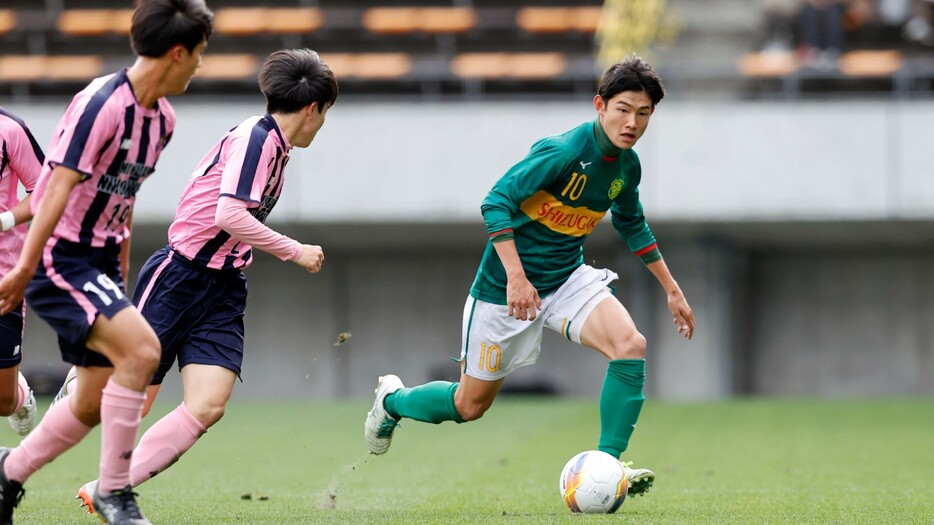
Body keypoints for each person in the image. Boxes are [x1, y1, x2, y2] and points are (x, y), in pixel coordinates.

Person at [365, 54, 695, 498]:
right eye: (623, 109)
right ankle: (392, 402)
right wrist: (517, 278)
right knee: (469, 405)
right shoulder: (561, 153)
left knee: (630, 345)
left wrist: (672, 289)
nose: (632, 121)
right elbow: (495, 202)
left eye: (643, 113)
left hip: (565, 277)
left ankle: (608, 465)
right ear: (600, 104)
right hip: (503, 290)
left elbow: (631, 222)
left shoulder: (627, 166)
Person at [56, 48, 334, 501]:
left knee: (208, 405)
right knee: (132, 401)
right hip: (179, 277)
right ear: (312, 108)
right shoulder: (257, 139)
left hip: (223, 288)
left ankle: (111, 488)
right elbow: (228, 214)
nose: (323, 124)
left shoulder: (277, 149)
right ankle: (82, 374)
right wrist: (294, 250)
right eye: (325, 114)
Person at [0, 1, 213, 524]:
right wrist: (26, 267)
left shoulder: (161, 119)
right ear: (177, 52)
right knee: (143, 351)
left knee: (92, 404)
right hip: (58, 258)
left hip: (95, 265)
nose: (201, 65)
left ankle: (7, 475)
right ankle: (115, 492)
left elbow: (125, 201)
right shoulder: (101, 104)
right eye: (200, 54)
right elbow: (52, 191)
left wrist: (119, 272)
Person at [0, 108, 45, 437]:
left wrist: (4, 221)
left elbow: (46, 190)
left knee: (2, 401)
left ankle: (19, 395)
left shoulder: (11, 129)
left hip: (4, 272)